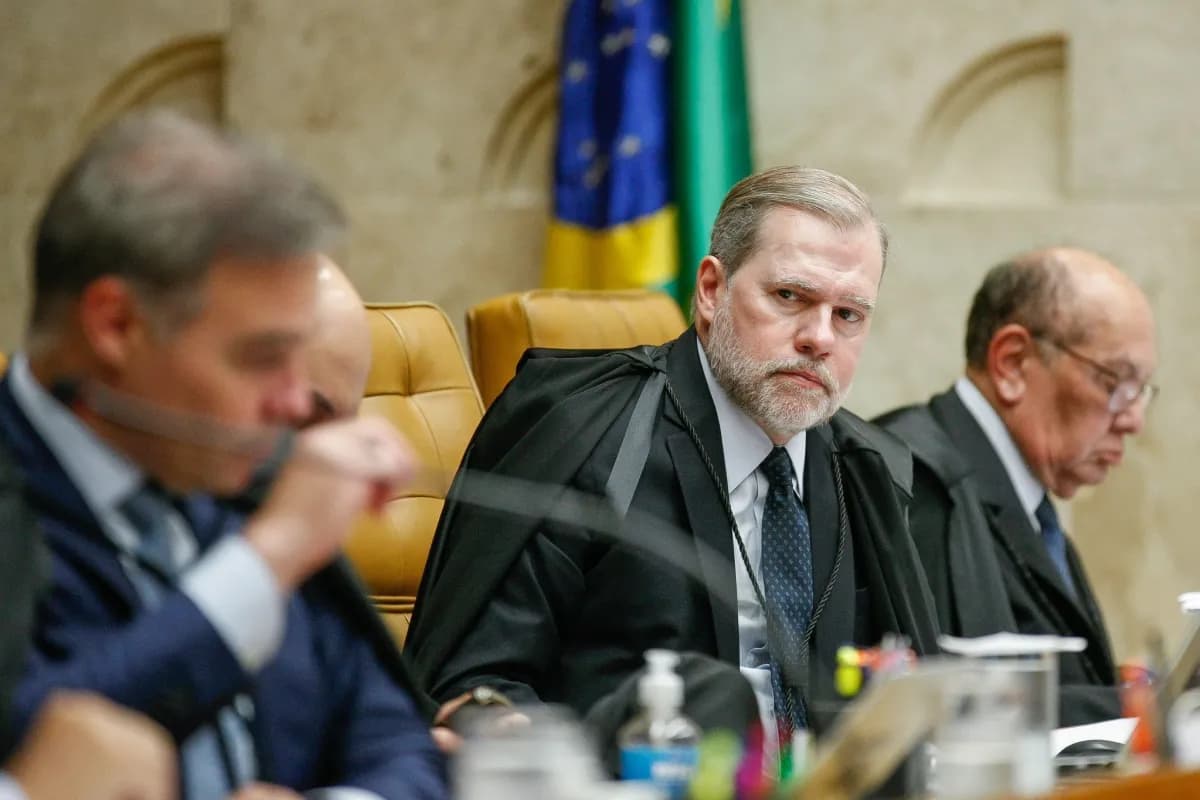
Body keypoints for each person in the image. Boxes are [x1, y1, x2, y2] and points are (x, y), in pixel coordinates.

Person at [406, 166, 940, 754]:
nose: (820, 338)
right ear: (711, 290)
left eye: (848, 315)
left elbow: (912, 693)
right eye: (790, 296)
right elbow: (474, 684)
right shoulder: (586, 436)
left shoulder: (869, 469)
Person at [0, 110, 446, 799]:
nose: (295, 403)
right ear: (117, 324)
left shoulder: (243, 479)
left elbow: (402, 746)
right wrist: (264, 564)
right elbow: (42, 748)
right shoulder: (274, 527)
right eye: (263, 358)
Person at [874, 248, 1157, 726]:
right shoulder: (912, 481)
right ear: (1012, 363)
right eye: (1115, 382)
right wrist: (1137, 708)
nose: (1134, 420)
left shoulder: (1024, 496)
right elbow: (952, 707)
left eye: (1141, 391)